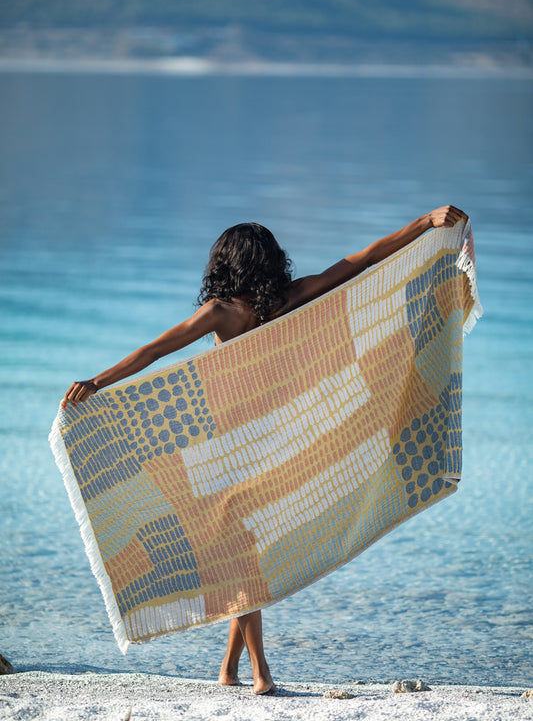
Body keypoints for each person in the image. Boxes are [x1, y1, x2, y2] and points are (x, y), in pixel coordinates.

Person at [62, 204, 466, 695]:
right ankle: (255, 672)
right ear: (269, 261)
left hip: (248, 446)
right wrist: (98, 383)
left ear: (226, 264)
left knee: (247, 557)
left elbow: (360, 263)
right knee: (246, 556)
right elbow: (357, 261)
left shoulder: (231, 311)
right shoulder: (271, 302)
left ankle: (235, 669)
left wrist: (426, 225)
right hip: (247, 446)